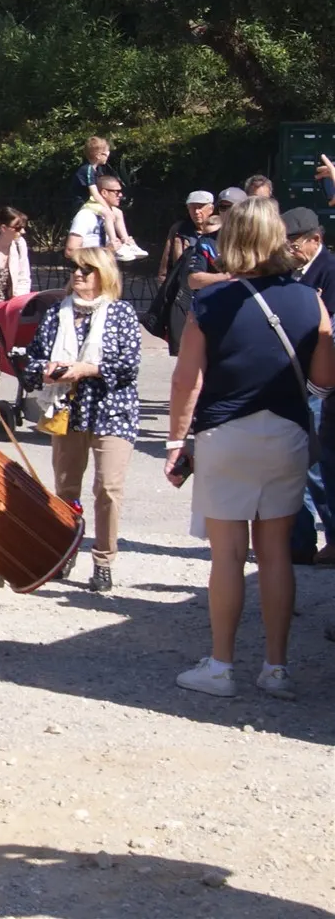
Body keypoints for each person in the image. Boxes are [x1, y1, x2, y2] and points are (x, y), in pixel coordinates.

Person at [166, 198, 335, 700]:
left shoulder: (212, 303)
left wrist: (178, 442)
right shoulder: (311, 299)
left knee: (227, 556)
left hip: (226, 433)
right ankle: (275, 668)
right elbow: (325, 378)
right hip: (285, 432)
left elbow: (185, 381)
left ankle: (221, 666)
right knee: (276, 553)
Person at [20, 246, 142, 591]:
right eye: (74, 268)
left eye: (86, 269)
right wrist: (46, 371)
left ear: (103, 274)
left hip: (111, 411)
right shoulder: (58, 314)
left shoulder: (120, 313)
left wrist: (87, 369)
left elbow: (128, 366)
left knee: (108, 487)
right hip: (67, 410)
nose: (77, 274)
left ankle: (103, 559)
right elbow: (31, 362)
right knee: (66, 489)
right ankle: (67, 549)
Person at [283, 208, 335, 564]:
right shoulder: (287, 270)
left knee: (318, 464)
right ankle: (299, 543)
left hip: (317, 382)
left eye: (294, 242)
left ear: (315, 240)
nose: (289, 249)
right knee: (293, 464)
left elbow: (326, 331)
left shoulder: (330, 271)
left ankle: (332, 536)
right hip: (289, 375)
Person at [158, 192, 217, 283]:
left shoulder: (221, 231)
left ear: (211, 209)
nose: (196, 212)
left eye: (200, 207)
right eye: (192, 207)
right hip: (183, 288)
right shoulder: (179, 230)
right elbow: (166, 261)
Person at [0, 207, 33, 301]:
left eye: (23, 227)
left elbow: (24, 278)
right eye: (18, 228)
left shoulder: (19, 245)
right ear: (3, 228)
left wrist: (17, 301)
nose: (22, 231)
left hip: (8, 305)